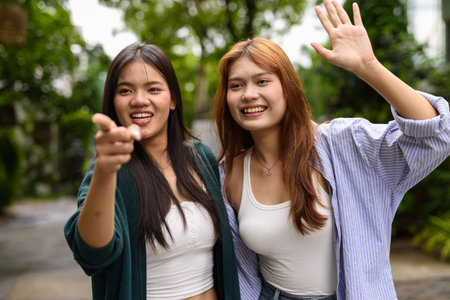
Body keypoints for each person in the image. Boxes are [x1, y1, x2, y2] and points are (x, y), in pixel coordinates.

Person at [212, 0, 450, 299]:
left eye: (262, 81)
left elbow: (436, 135)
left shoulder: (340, 143)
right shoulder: (228, 173)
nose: (249, 94)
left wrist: (368, 67)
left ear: (288, 88)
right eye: (236, 86)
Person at [64, 43, 240, 300]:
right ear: (114, 102)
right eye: (125, 90)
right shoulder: (110, 171)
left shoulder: (201, 158)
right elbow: (92, 256)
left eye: (153, 89)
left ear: (172, 100)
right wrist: (104, 170)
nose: (139, 100)